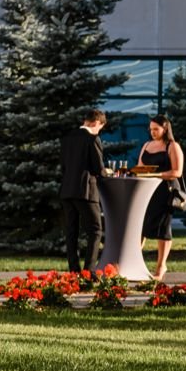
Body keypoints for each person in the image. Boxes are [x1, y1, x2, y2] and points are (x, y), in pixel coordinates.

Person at [135, 113, 185, 280]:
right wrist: (136, 172)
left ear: (165, 129)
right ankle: (134, 261)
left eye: (156, 129)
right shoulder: (147, 145)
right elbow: (141, 166)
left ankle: (160, 266)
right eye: (150, 129)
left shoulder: (172, 146)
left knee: (163, 228)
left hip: (166, 191)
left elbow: (177, 172)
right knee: (140, 226)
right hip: (147, 191)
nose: (152, 132)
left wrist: (155, 175)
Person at [60, 108, 108, 275]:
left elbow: (64, 166)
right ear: (96, 123)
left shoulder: (67, 139)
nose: (98, 131)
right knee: (95, 230)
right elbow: (98, 168)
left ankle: (74, 271)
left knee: (71, 232)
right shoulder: (92, 139)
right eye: (100, 128)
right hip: (86, 191)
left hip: (67, 190)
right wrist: (106, 172)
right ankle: (89, 271)